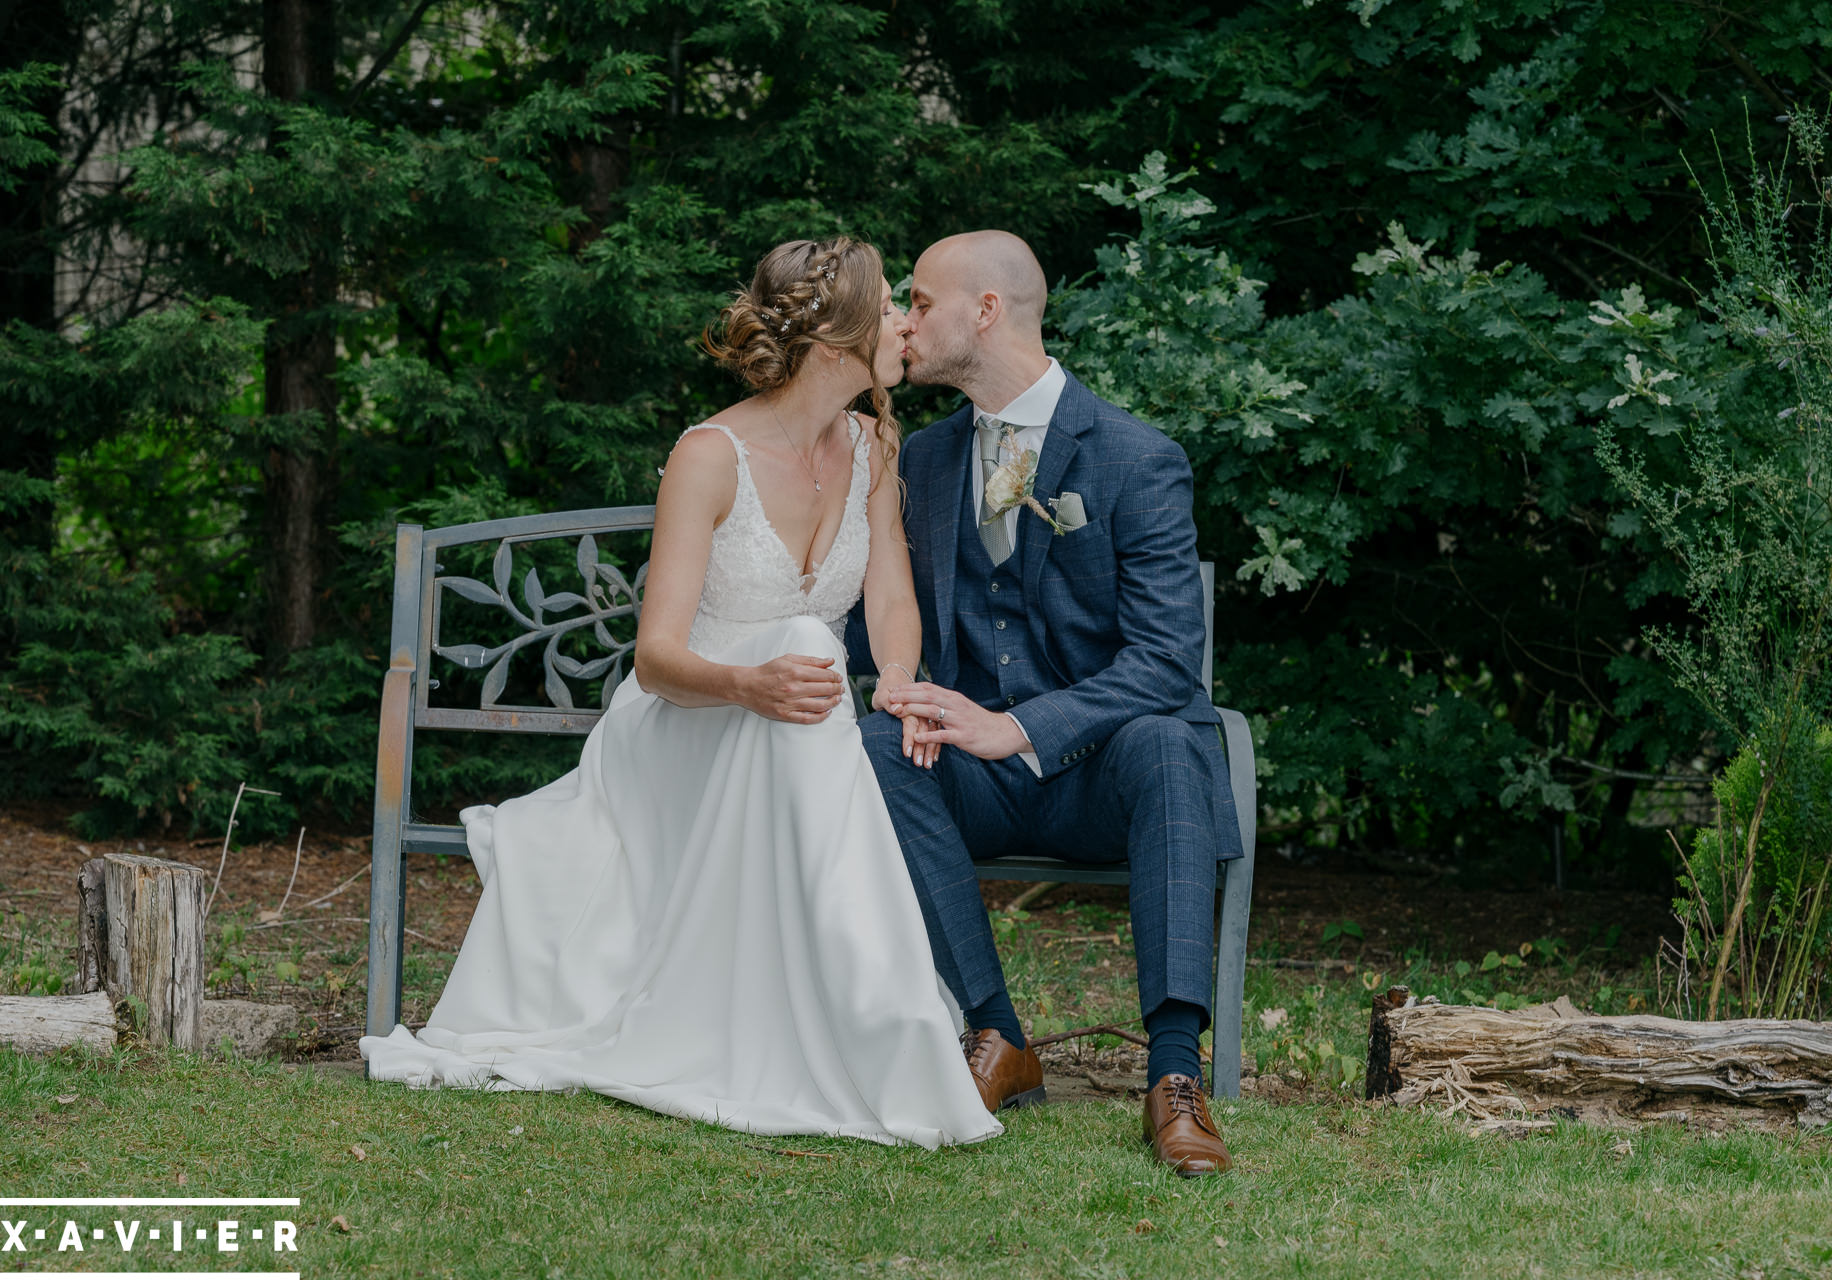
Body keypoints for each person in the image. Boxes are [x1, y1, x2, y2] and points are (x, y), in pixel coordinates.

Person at [358, 237, 1001, 1151]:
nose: (905, 322)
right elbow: (656, 659)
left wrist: (897, 675)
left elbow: (892, 598)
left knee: (813, 658)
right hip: (684, 725)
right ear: (835, 339)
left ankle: (859, 1020)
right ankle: (877, 1019)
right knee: (806, 648)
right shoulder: (710, 455)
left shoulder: (872, 445)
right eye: (891, 305)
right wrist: (747, 683)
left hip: (794, 730)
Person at [861, 230, 1241, 1175]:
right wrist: (900, 690)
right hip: (976, 779)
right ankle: (997, 1034)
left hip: (1102, 773)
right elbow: (883, 603)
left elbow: (1167, 662)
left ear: (986, 311)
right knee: (874, 744)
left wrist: (1018, 727)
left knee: (1171, 742)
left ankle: (1173, 1075)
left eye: (921, 300)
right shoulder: (925, 460)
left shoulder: (1136, 457)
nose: (906, 320)